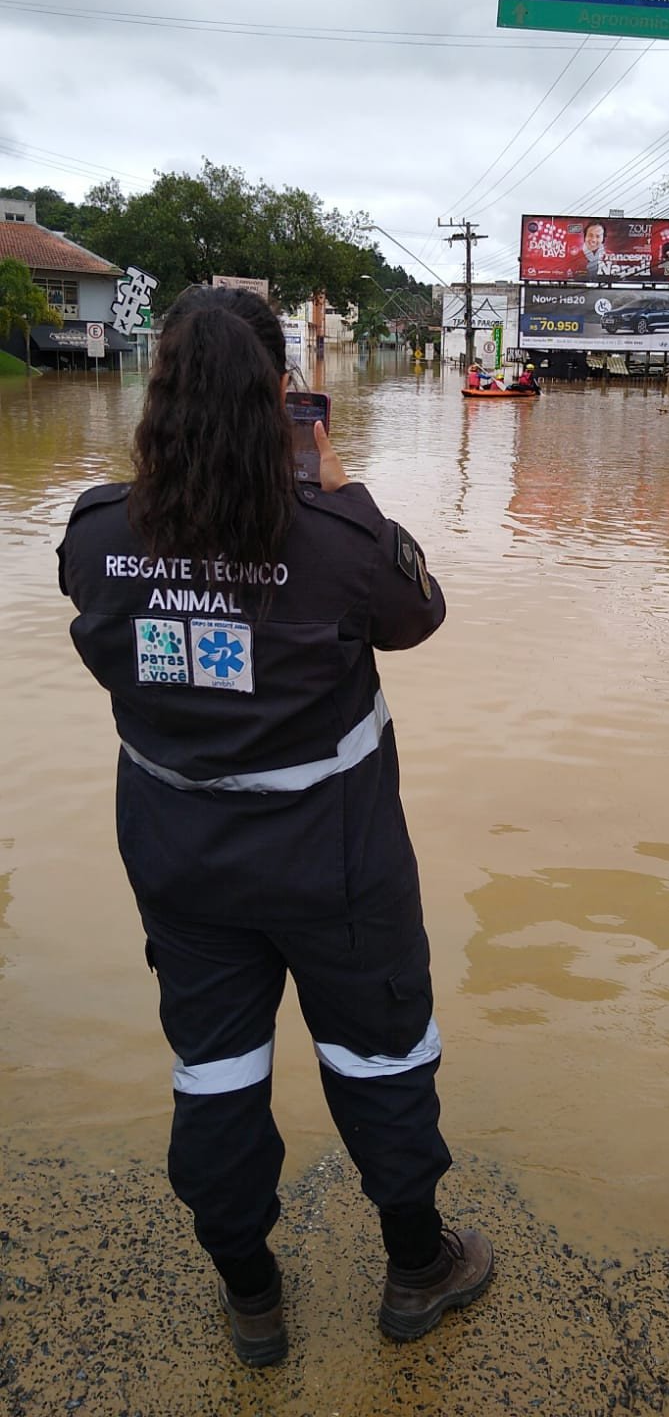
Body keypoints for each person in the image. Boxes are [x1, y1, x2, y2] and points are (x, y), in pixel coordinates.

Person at [56, 286, 493, 1368]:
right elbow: (420, 614)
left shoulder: (99, 533)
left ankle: (253, 1300)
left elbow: (98, 629)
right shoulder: (335, 533)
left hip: (179, 861)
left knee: (214, 1069)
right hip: (334, 861)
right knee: (380, 1055)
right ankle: (415, 1268)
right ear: (282, 399)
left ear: (157, 398)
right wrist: (346, 492)